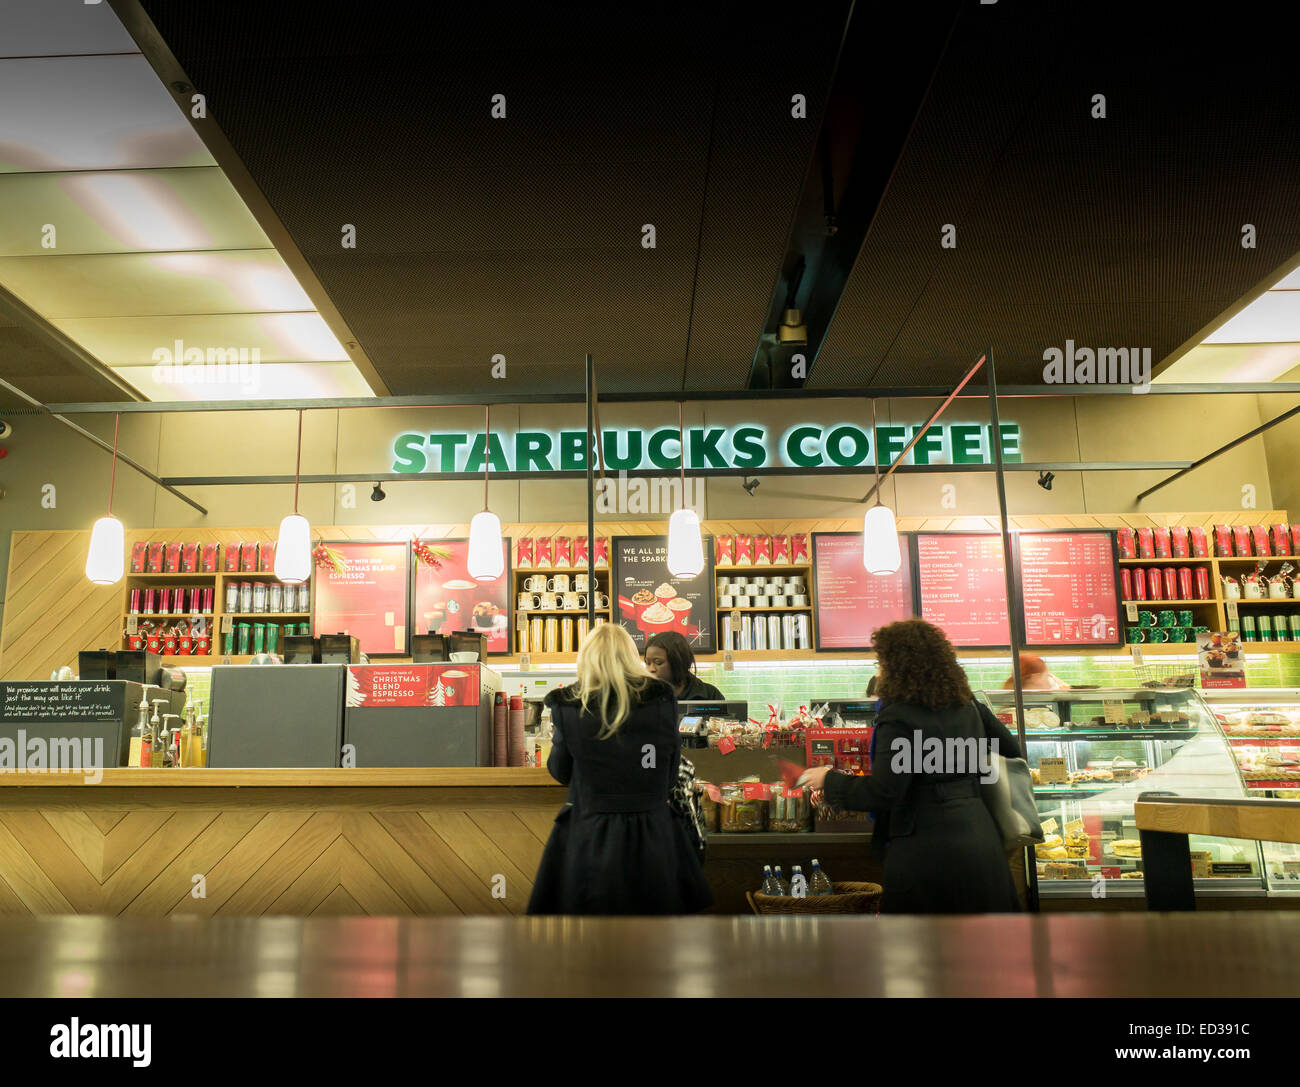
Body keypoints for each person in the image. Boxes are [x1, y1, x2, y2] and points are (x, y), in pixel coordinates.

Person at [800, 618, 1022, 914]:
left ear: (898, 666)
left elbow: (885, 792)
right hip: (980, 840)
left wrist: (829, 780)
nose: (878, 671)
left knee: (924, 951)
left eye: (881, 663)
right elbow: (1011, 750)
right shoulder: (967, 706)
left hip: (927, 850)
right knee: (982, 952)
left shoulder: (900, 717)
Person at [527, 623, 713, 915]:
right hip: (652, 832)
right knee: (655, 935)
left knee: (592, 936)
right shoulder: (661, 700)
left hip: (590, 833)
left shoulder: (569, 707)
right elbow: (667, 773)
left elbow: (561, 771)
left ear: (586, 659)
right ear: (631, 656)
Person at [644, 630, 725, 701]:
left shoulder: (710, 695)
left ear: (678, 662)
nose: (651, 669)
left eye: (658, 662)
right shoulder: (642, 696)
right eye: (647, 663)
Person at [1002, 652, 1069, 691]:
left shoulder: (1009, 703)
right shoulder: (1041, 713)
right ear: (1035, 678)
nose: (1050, 680)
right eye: (1046, 676)